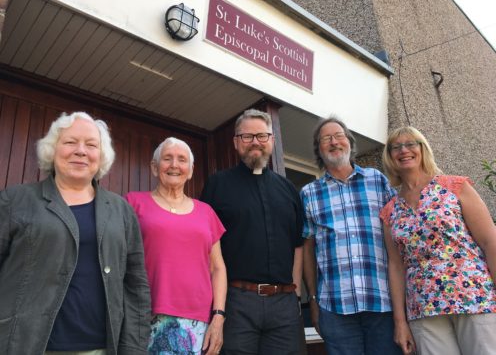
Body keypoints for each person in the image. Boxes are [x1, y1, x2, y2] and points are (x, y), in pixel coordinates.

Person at [0, 111, 151, 355]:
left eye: (91, 145)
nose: (81, 150)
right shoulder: (14, 201)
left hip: (99, 349)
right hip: (22, 346)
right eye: (70, 142)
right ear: (53, 149)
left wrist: (134, 348)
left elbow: (136, 286)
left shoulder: (121, 210)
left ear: (101, 156)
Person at [380, 126, 496, 355]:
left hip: (473, 297)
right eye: (396, 147)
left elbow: (489, 241)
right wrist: (400, 322)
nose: (404, 150)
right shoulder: (390, 211)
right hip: (423, 305)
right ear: (390, 157)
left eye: (411, 143)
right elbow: (395, 266)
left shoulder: (455, 187)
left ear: (423, 149)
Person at [200, 109, 303, 355]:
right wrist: (216, 307)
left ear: (272, 141)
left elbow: (298, 244)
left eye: (262, 135)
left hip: (284, 305)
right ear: (236, 143)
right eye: (247, 137)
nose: (255, 141)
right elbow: (204, 245)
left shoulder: (288, 190)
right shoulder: (217, 184)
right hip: (236, 302)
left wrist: (295, 293)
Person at [300, 116, 401, 355]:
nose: (334, 142)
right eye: (326, 139)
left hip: (382, 303)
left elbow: (398, 234)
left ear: (349, 142)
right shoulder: (309, 193)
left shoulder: (377, 181)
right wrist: (312, 300)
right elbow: (307, 250)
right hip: (335, 307)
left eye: (339, 136)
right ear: (319, 149)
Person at [125, 137, 227, 355]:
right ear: (154, 167)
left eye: (182, 160)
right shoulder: (132, 203)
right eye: (167, 158)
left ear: (190, 170)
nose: (174, 165)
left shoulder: (206, 212)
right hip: (143, 316)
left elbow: (217, 268)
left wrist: (218, 317)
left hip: (196, 323)